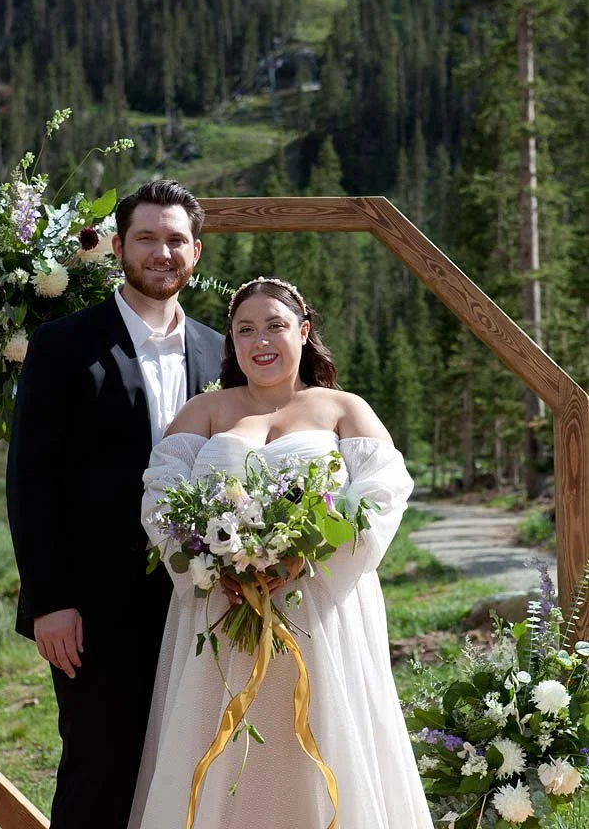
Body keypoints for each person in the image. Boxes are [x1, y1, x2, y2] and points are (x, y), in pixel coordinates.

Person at [128, 276, 433, 829]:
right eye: (245, 329)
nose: (260, 340)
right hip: (220, 611)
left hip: (318, 609)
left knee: (317, 734)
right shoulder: (206, 411)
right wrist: (210, 563)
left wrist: (304, 557)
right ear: (232, 341)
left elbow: (382, 495)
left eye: (275, 325)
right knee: (218, 743)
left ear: (304, 331)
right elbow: (161, 499)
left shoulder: (343, 408)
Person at [6, 179, 224, 829]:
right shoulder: (64, 344)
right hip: (91, 613)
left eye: (175, 240)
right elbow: (31, 480)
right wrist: (50, 602)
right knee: (98, 777)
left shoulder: (220, 351)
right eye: (147, 238)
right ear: (119, 248)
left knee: (195, 771)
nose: (162, 252)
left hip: (204, 607)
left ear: (197, 252)